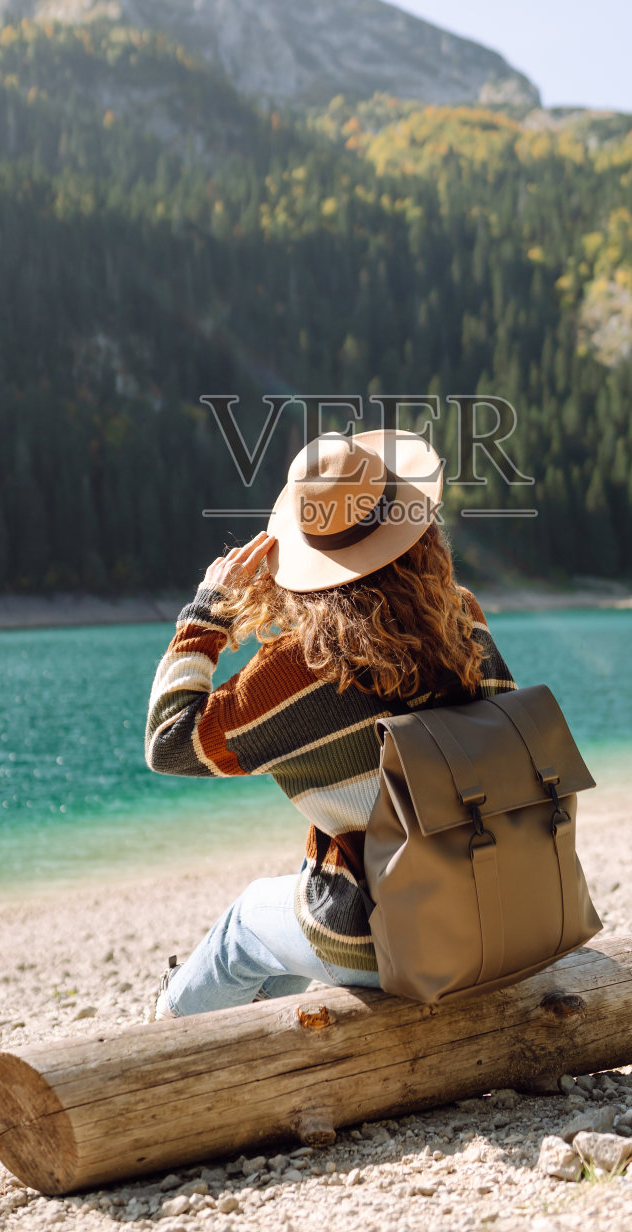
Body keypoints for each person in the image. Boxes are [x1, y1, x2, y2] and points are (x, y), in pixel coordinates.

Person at [143, 428, 516, 1018]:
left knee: (247, 923)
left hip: (396, 938)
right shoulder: (461, 616)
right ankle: (244, 1033)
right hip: (501, 900)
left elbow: (169, 742)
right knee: (317, 868)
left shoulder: (300, 668)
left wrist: (205, 618)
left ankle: (160, 1042)